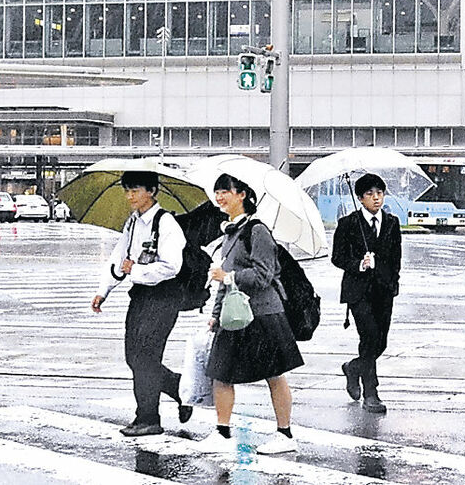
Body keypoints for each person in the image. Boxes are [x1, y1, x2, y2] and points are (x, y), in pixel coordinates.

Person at [196, 174, 304, 454]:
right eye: (217, 192)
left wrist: (228, 275)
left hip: (263, 314)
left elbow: (264, 275)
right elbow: (224, 282)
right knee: (220, 372)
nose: (220, 197)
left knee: (275, 375)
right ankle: (222, 432)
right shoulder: (230, 232)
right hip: (234, 315)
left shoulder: (258, 231)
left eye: (225, 192)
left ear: (242, 194)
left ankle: (285, 434)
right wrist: (215, 314)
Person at [90, 171, 192, 437]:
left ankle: (148, 418)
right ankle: (181, 388)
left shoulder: (166, 223)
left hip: (164, 297)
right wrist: (104, 291)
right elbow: (118, 257)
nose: (129, 196)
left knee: (145, 357)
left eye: (135, 190)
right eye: (127, 190)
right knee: (133, 357)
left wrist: (135, 270)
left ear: (152, 191)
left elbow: (172, 266)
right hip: (141, 296)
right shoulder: (132, 223)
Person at [332, 173, 402, 414]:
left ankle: (353, 368)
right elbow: (338, 257)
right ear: (360, 198)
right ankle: (371, 393)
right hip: (358, 291)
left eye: (380, 193)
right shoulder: (348, 223)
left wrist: (390, 279)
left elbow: (396, 259)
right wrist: (359, 264)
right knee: (369, 336)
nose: (376, 198)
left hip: (384, 291)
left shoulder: (392, 223)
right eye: (370, 194)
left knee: (380, 343)